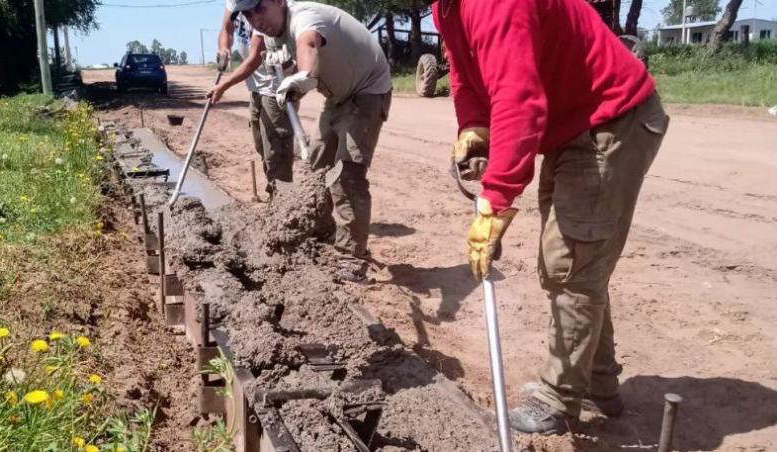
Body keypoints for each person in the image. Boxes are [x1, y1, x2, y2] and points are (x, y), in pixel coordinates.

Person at [433, 0, 670, 435]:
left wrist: (497, 197)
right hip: (572, 123)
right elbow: (467, 73)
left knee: (571, 264)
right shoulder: (446, 7)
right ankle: (597, 383)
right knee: (577, 262)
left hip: (611, 118)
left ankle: (558, 399)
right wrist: (472, 123)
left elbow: (517, 97)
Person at [228, 0, 392, 283]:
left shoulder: (304, 17)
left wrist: (302, 76)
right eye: (248, 14)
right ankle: (322, 232)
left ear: (279, 1)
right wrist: (290, 76)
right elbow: (301, 60)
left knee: (346, 175)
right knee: (315, 166)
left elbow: (310, 44)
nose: (255, 18)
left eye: (260, 8)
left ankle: (352, 259)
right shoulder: (271, 32)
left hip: (367, 90)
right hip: (337, 96)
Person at [211, 2, 294, 193]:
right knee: (262, 147)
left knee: (276, 151)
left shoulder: (263, 7)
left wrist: (224, 85)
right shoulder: (234, 3)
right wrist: (224, 48)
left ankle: (283, 203)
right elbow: (226, 29)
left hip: (275, 86)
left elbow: (255, 58)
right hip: (255, 87)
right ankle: (277, 193)